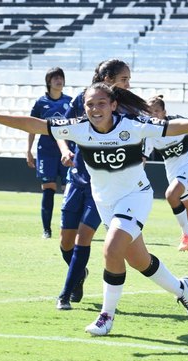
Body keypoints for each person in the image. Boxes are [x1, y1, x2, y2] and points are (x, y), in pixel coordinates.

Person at [0, 83, 188, 336]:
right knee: (139, 261)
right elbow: (37, 124)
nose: (95, 109)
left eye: (101, 103)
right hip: (105, 202)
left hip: (135, 195)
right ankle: (183, 289)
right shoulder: (79, 128)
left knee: (111, 250)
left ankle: (106, 317)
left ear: (113, 105)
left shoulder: (133, 125)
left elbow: (171, 127)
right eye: (90, 105)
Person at [55, 59, 131, 310]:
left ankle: (64, 295)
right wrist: (65, 150)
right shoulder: (82, 99)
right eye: (124, 79)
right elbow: (60, 129)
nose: (128, 84)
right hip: (77, 179)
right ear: (108, 78)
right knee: (65, 242)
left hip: (104, 186)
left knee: (83, 238)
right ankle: (79, 275)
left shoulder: (125, 106)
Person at [144, 95, 188, 258]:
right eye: (149, 112)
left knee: (171, 195)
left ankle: (186, 234)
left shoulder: (175, 123)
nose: (153, 115)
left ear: (164, 112)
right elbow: (143, 158)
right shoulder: (149, 132)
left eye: (157, 111)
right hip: (173, 171)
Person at [27, 67, 73, 239]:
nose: (59, 80)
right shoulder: (40, 103)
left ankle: (69, 227)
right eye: (55, 78)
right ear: (49, 81)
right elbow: (31, 126)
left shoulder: (70, 101)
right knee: (49, 188)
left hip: (66, 149)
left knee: (69, 189)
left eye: (61, 77)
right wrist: (28, 150)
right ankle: (47, 230)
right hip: (46, 149)